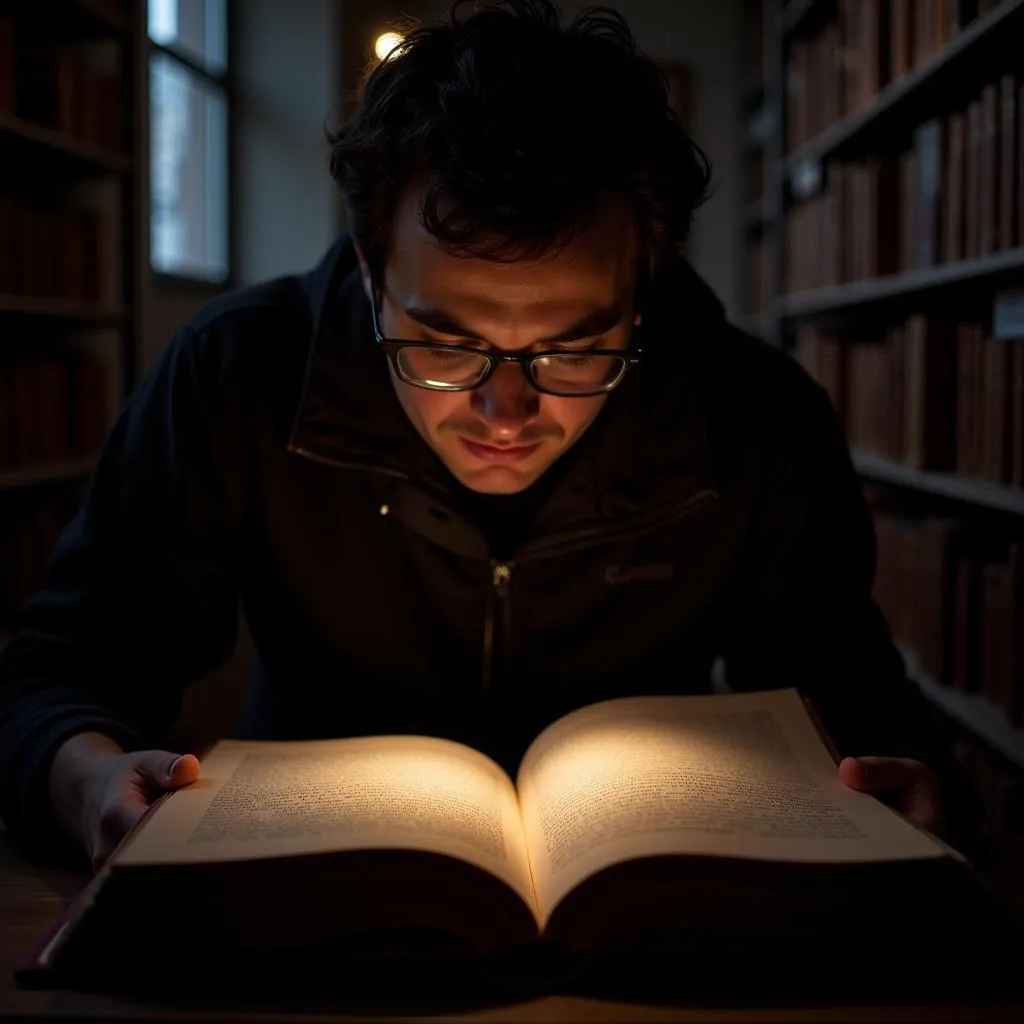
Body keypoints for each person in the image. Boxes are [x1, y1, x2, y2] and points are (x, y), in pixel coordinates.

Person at [0, 0, 975, 874]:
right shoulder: (236, 376)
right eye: (443, 343)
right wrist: (79, 773)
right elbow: (61, 669)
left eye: (573, 348)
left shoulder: (756, 415)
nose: (505, 412)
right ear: (370, 279)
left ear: (642, 304)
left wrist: (916, 793)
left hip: (636, 899)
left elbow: (858, 715)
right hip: (307, 881)